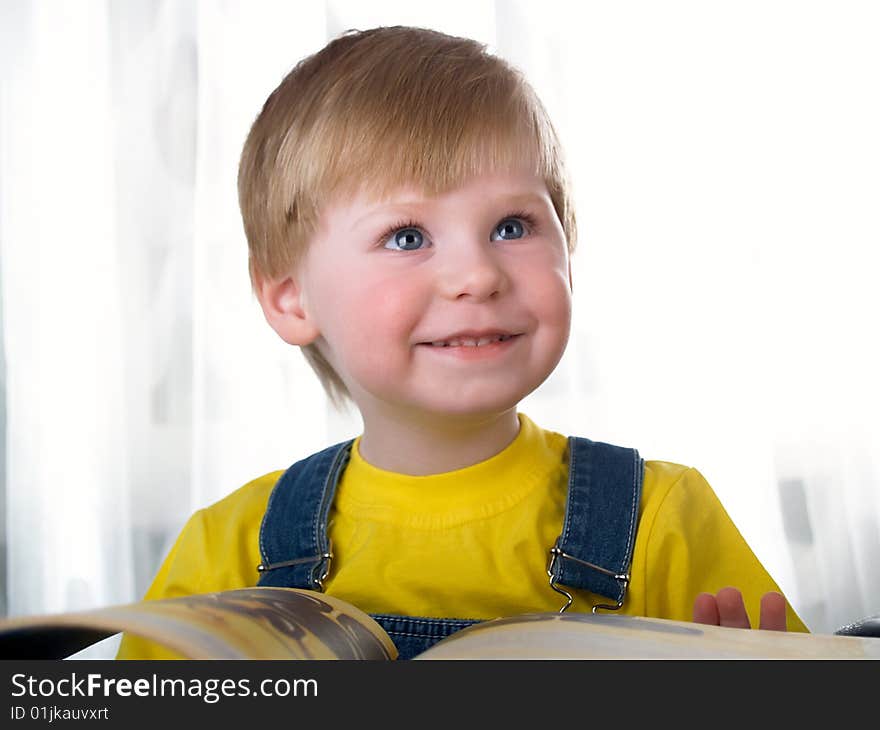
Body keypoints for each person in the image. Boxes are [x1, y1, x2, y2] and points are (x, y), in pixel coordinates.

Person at [117, 25, 807, 660]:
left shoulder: (662, 517)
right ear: (290, 297)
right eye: (407, 236)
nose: (478, 275)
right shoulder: (224, 554)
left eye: (512, 225)